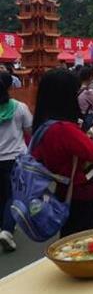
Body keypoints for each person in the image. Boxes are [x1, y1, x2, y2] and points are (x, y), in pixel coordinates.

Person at [31, 69, 93, 237]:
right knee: (81, 240)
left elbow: (81, 144)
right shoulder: (63, 129)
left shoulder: (47, 125)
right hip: (81, 195)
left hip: (66, 192)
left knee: (71, 237)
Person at [0, 72, 32, 252]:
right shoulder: (20, 108)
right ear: (9, 87)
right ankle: (7, 230)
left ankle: (4, 225)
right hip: (16, 158)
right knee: (14, 194)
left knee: (2, 195)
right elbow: (29, 131)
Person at [77, 66, 93, 132]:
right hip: (87, 118)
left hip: (79, 117)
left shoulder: (77, 88)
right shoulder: (88, 92)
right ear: (90, 77)